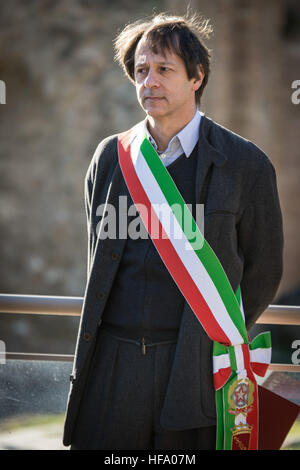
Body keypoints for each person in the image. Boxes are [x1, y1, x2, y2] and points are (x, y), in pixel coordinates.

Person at [63, 12, 283, 450]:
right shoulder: (111, 157)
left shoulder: (246, 164)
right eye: (141, 71)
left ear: (196, 77)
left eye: (164, 70)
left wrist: (214, 330)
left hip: (195, 366)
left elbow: (265, 269)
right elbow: (99, 256)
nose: (150, 82)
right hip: (113, 362)